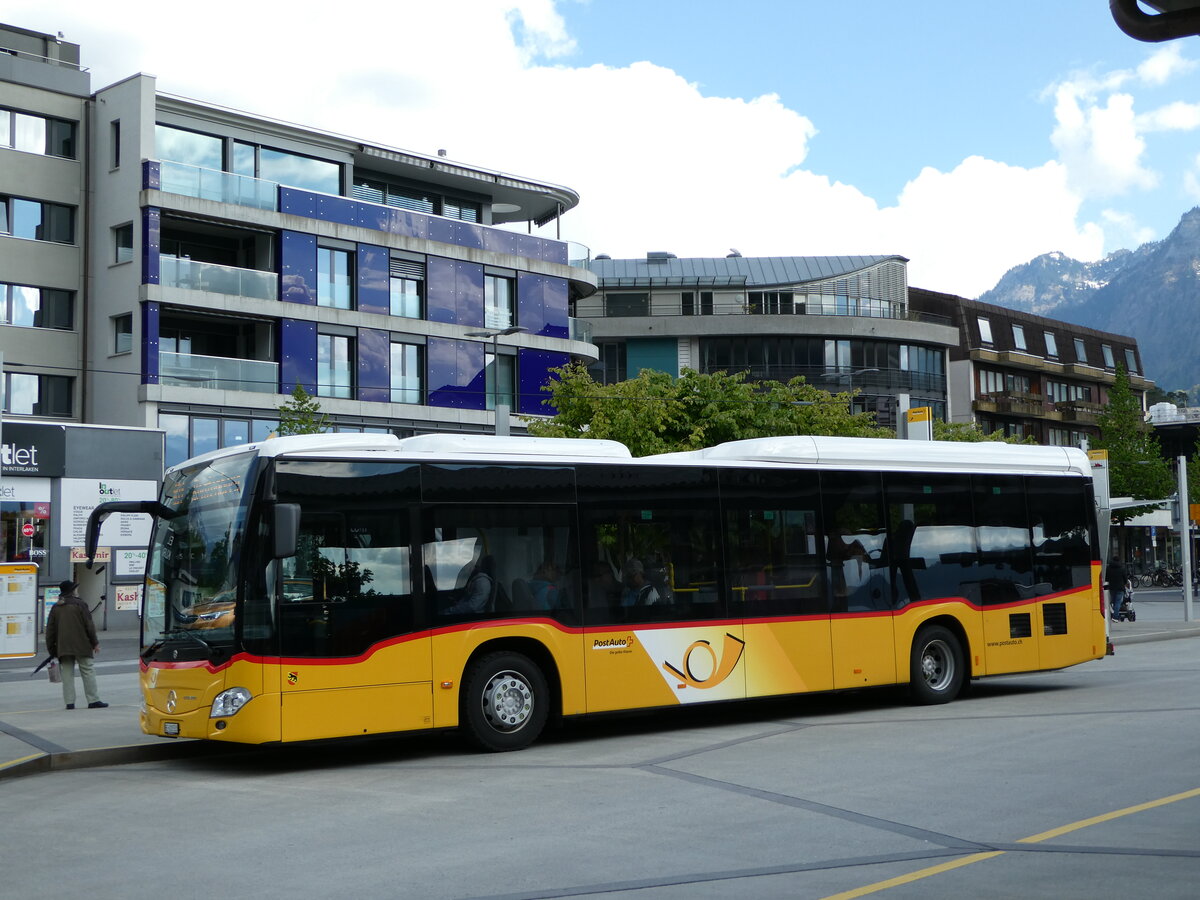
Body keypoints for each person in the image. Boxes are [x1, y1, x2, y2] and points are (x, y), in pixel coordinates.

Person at [45, 580, 108, 710]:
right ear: (72, 591)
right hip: (82, 645)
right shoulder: (80, 604)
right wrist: (94, 643)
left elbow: (50, 631)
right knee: (88, 671)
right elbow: (89, 626)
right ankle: (93, 700)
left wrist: (52, 649)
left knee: (67, 674)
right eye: (75, 588)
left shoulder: (56, 607)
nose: (77, 590)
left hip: (63, 647)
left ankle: (69, 702)